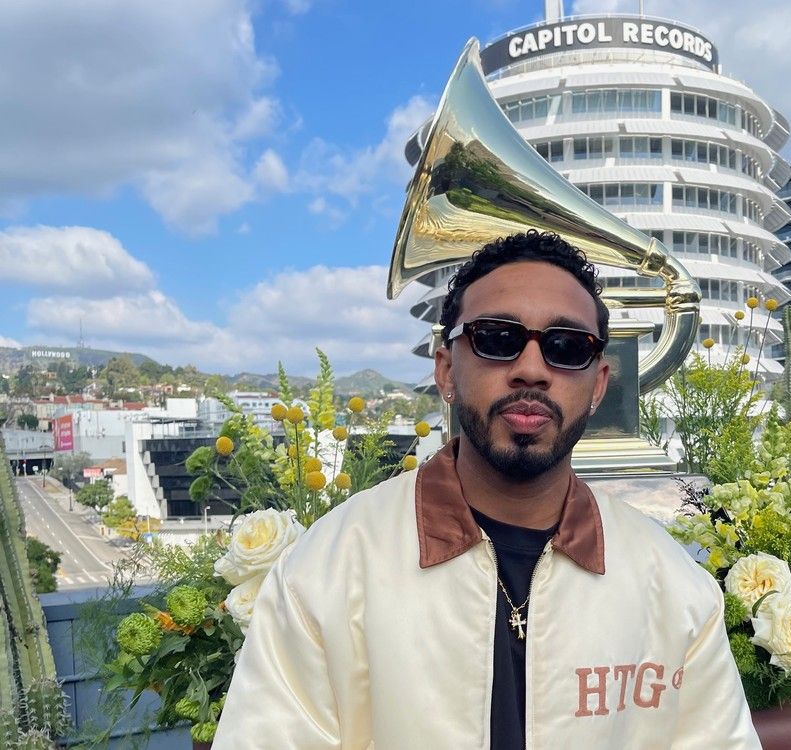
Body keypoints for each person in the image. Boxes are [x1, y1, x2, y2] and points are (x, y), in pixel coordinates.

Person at [214, 230, 761, 749]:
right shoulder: (325, 573)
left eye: (566, 346)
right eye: (497, 339)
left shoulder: (675, 591)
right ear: (447, 370)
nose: (530, 369)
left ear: (597, 386)